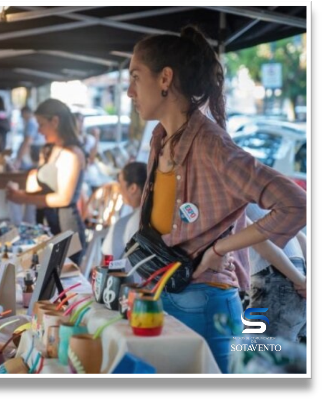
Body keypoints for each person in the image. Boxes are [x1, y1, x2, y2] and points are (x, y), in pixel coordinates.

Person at [126, 26, 306, 373]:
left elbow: (295, 204)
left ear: (165, 78)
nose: (130, 91)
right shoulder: (160, 139)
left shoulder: (211, 145)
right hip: (166, 292)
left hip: (205, 301)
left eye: (135, 77)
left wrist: (220, 250)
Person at [7, 99, 87, 265]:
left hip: (67, 229)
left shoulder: (72, 153)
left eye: (41, 124)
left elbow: (63, 198)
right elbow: (44, 189)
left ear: (55, 121)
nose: (39, 130)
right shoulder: (51, 149)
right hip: (49, 226)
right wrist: (21, 193)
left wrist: (22, 198)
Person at [246, 203, 306, 342]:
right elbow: (297, 234)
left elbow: (256, 237)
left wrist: (301, 281)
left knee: (259, 351)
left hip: (277, 278)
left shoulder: (228, 193)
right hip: (294, 272)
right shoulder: (262, 194)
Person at [101, 162, 147, 259]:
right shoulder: (156, 218)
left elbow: (107, 261)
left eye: (120, 184)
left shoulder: (123, 224)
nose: (119, 189)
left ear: (133, 188)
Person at [15, 106, 44, 170]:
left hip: (34, 152)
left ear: (25, 113)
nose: (22, 117)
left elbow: (27, 141)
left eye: (22, 115)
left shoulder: (31, 122)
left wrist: (19, 159)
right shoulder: (32, 122)